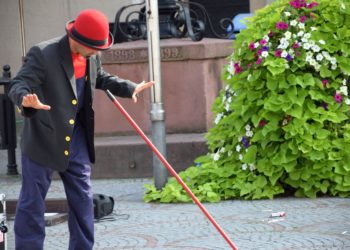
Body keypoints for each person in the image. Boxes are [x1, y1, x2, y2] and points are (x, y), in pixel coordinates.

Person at [8, 9, 154, 250]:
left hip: (76, 139)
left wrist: (129, 88)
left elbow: (100, 78)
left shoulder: (91, 56)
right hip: (44, 137)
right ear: (79, 40)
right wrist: (25, 99)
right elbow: (18, 83)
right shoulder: (44, 53)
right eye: (94, 48)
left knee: (83, 202)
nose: (97, 53)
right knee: (32, 204)